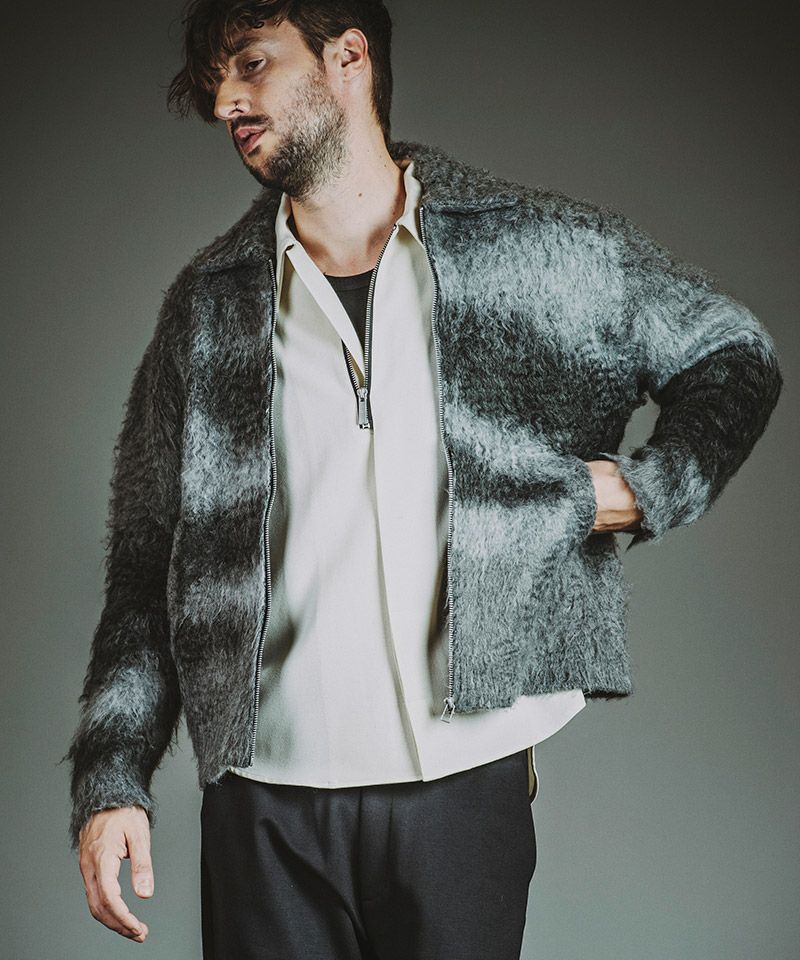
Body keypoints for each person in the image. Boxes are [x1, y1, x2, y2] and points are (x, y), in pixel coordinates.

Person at [62, 2, 783, 957]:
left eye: (252, 64)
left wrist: (645, 492)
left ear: (348, 57)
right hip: (264, 804)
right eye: (214, 83)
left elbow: (733, 354)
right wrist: (111, 780)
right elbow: (147, 565)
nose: (227, 101)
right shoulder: (209, 306)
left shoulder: (536, 251)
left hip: (465, 786)